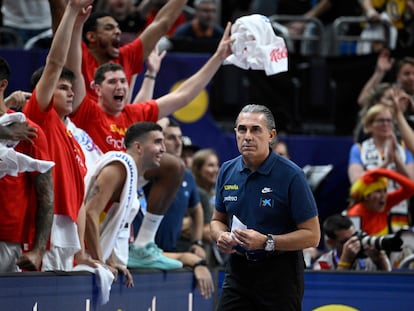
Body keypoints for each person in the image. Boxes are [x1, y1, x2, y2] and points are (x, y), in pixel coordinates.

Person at [210, 104, 320, 310]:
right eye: (242, 129)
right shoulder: (226, 170)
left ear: (271, 135)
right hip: (238, 270)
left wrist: (267, 242)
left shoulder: (291, 175)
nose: (247, 136)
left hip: (280, 273)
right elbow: (217, 220)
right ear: (235, 133)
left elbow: (312, 236)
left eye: (255, 129)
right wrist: (220, 236)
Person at [23, 0, 93, 271]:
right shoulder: (40, 116)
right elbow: (55, 63)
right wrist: (71, 12)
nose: (70, 91)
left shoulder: (72, 136)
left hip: (68, 233)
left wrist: (83, 249)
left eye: (70, 87)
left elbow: (81, 202)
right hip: (45, 229)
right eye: (61, 87)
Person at [0, 57, 54, 273]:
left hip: (5, 240)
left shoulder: (28, 131)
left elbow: (46, 195)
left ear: (2, 85)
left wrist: (38, 249)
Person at [348, 104, 414, 232]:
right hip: (369, 212)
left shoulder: (404, 149)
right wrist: (386, 163)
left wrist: (396, 159)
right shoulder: (359, 149)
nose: (386, 124)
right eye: (380, 120)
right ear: (369, 125)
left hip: (399, 210)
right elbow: (356, 183)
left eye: (389, 120)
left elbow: (411, 180)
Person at [347, 168, 414, 236]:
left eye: (385, 190)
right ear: (366, 196)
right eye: (378, 191)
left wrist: (385, 173)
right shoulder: (355, 214)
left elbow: (411, 188)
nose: (383, 196)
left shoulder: (386, 202)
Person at [313, 214, 391, 271]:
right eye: (345, 241)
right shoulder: (323, 264)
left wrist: (381, 261)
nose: (352, 244)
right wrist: (345, 261)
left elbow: (390, 285)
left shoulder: (368, 258)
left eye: (354, 237)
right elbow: (334, 290)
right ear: (331, 242)